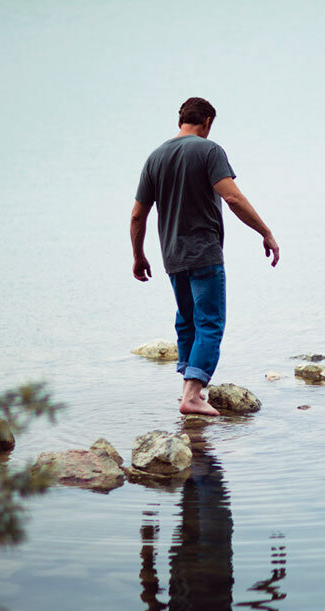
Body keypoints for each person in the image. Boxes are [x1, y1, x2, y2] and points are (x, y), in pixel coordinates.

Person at [131, 97, 279, 415]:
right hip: (204, 253)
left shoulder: (154, 157)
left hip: (172, 257)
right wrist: (265, 232)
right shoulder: (209, 150)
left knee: (187, 322)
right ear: (208, 121)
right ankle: (192, 395)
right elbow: (233, 197)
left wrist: (138, 255)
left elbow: (137, 216)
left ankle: (188, 390)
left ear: (180, 121)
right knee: (210, 322)